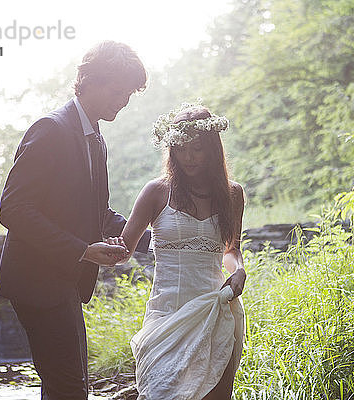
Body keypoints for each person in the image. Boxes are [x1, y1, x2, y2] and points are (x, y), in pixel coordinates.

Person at [0, 41, 151, 400]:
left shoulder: (96, 137)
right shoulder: (50, 129)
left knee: (68, 388)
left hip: (61, 281)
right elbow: (13, 209)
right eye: (117, 90)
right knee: (69, 389)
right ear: (89, 81)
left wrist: (156, 238)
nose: (124, 100)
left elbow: (100, 214)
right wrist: (83, 251)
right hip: (38, 283)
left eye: (129, 93)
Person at [106, 103, 246, 399]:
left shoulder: (232, 194)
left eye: (196, 149)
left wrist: (239, 270)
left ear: (212, 149)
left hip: (214, 311)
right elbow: (125, 250)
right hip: (165, 315)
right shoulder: (156, 192)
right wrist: (99, 247)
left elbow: (232, 250)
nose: (188, 157)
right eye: (181, 149)